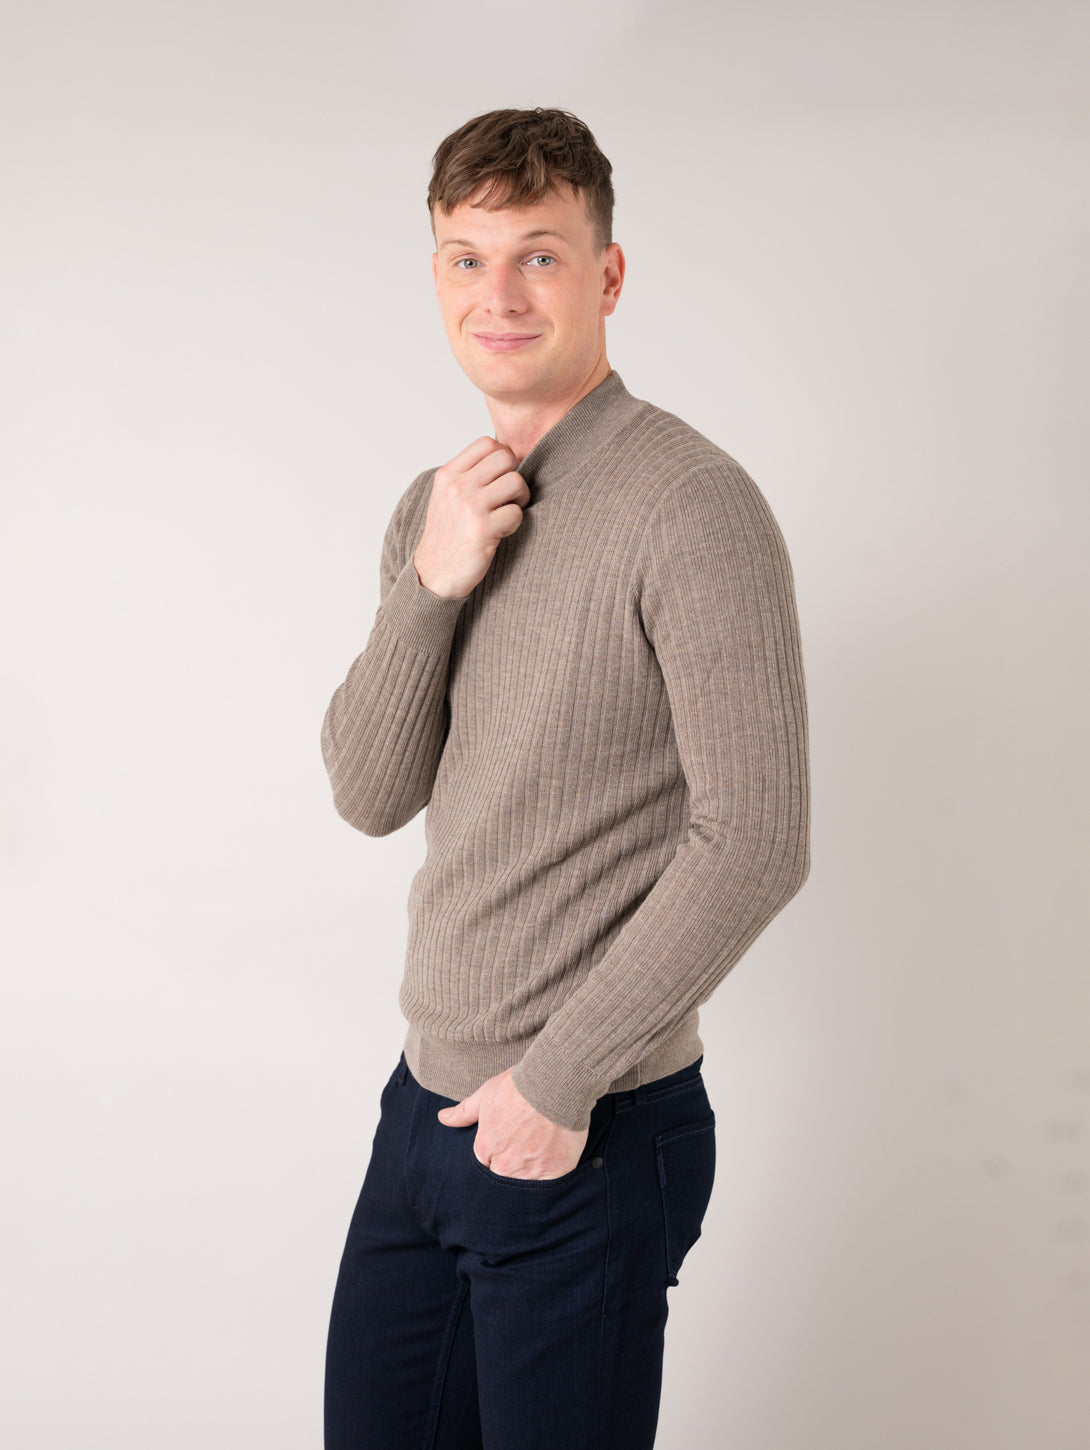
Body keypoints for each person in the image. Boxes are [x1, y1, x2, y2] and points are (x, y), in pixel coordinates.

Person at [320, 107, 810, 1450]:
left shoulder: (690, 504)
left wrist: (559, 1082)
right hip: (421, 1112)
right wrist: (432, 583)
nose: (499, 294)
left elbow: (757, 836)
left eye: (538, 255)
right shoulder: (437, 505)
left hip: (585, 1127)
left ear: (608, 273)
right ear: (434, 276)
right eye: (467, 258)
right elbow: (369, 791)